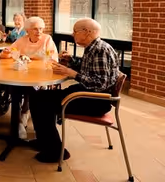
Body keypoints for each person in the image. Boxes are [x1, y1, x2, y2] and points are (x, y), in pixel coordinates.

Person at [29, 18, 119, 163]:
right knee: (39, 96)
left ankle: (55, 152)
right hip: (86, 94)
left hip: (95, 101)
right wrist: (70, 61)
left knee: (41, 100)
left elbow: (100, 84)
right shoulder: (93, 48)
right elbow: (89, 70)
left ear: (87, 32)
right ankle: (44, 141)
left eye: (75, 31)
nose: (72, 34)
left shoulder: (100, 50)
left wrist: (72, 73)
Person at [0, 16, 59, 139]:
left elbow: (52, 59)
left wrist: (29, 57)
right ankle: (19, 121)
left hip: (41, 75)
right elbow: (5, 55)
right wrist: (6, 53)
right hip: (23, 74)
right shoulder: (22, 40)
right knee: (15, 87)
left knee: (33, 89)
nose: (39, 32)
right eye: (35, 29)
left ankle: (24, 116)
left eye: (41, 29)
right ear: (27, 30)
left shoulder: (47, 39)